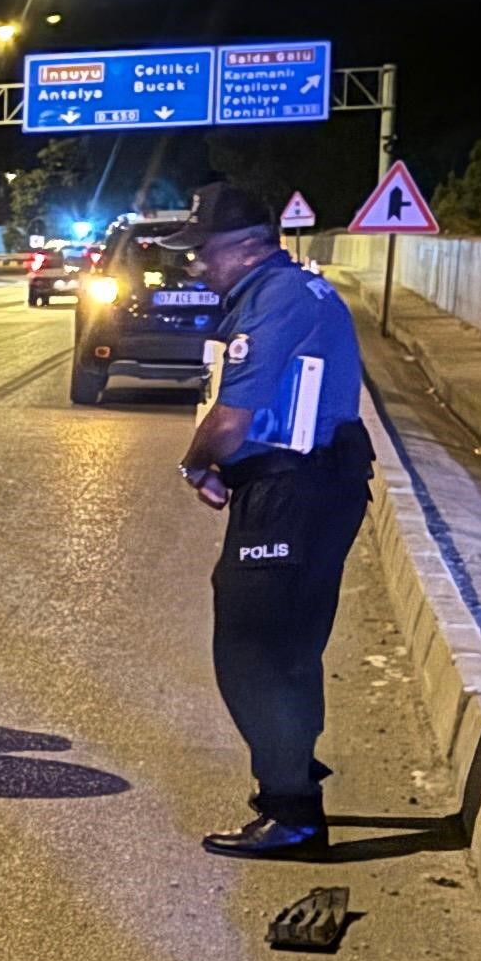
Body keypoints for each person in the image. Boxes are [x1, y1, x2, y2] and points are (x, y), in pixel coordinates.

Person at [174, 179, 375, 857]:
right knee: (285, 647)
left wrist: (196, 465)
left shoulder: (277, 299)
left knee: (252, 652)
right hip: (311, 482)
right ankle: (294, 785)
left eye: (204, 249)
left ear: (249, 245)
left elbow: (229, 422)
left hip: (295, 490)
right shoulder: (293, 290)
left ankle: (291, 811)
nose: (197, 263)